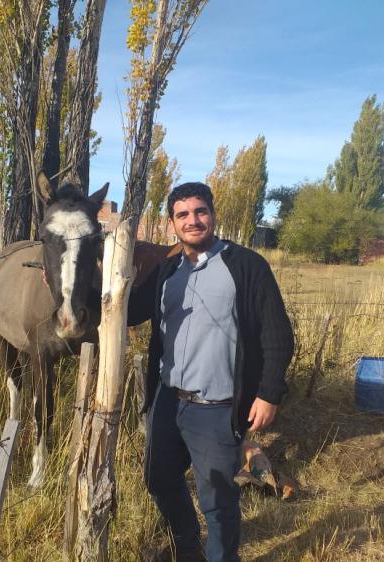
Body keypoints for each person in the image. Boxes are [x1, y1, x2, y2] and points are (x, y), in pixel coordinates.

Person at [128, 182, 295, 562]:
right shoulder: (168, 271)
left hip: (217, 408)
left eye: (200, 211)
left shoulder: (246, 266)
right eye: (183, 214)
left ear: (213, 215)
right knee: (159, 480)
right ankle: (188, 550)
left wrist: (269, 393)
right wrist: (73, 289)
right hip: (168, 403)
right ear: (172, 222)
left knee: (218, 501)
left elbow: (278, 335)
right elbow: (131, 309)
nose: (193, 220)